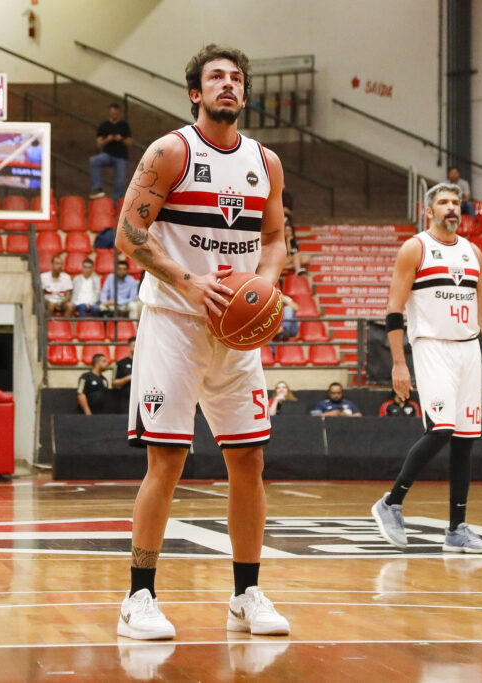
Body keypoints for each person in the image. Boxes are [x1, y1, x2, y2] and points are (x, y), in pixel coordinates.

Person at [113, 44, 289, 641]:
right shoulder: (170, 152)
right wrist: (190, 285)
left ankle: (246, 593)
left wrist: (262, 287)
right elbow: (128, 232)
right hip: (175, 321)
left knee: (250, 459)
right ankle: (139, 595)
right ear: (196, 92)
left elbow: (275, 241)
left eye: (237, 78)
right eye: (216, 77)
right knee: (168, 458)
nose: (228, 85)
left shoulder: (266, 162)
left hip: (234, 334)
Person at [371, 182, 482, 553]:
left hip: (468, 351)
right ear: (429, 208)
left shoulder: (472, 252)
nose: (452, 207)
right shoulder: (415, 248)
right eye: (444, 202)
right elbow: (393, 309)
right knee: (442, 429)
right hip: (431, 347)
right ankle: (391, 502)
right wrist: (398, 364)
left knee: (465, 441)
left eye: (456, 202)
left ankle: (457, 529)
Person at [89, 103, 133, 202]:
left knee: (119, 181)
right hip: (107, 155)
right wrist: (108, 139)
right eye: (113, 112)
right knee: (94, 161)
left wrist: (121, 139)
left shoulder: (124, 125)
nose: (114, 114)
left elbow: (130, 143)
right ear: (110, 112)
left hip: (121, 157)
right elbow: (99, 144)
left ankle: (117, 204)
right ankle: (97, 188)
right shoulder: (104, 126)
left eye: (116, 113)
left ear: (119, 113)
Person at [112, 336, 135, 413]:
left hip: (140, 399)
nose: (136, 348)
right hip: (125, 399)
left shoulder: (144, 362)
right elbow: (114, 383)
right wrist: (127, 378)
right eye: (134, 345)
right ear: (129, 347)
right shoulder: (120, 363)